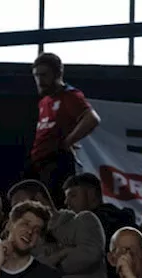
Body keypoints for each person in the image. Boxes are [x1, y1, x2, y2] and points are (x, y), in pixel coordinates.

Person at [28, 53, 100, 197]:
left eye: (44, 75)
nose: (39, 80)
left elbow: (92, 119)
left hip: (55, 164)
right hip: (40, 163)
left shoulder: (69, 95)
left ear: (58, 74)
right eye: (36, 76)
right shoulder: (44, 101)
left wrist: (67, 141)